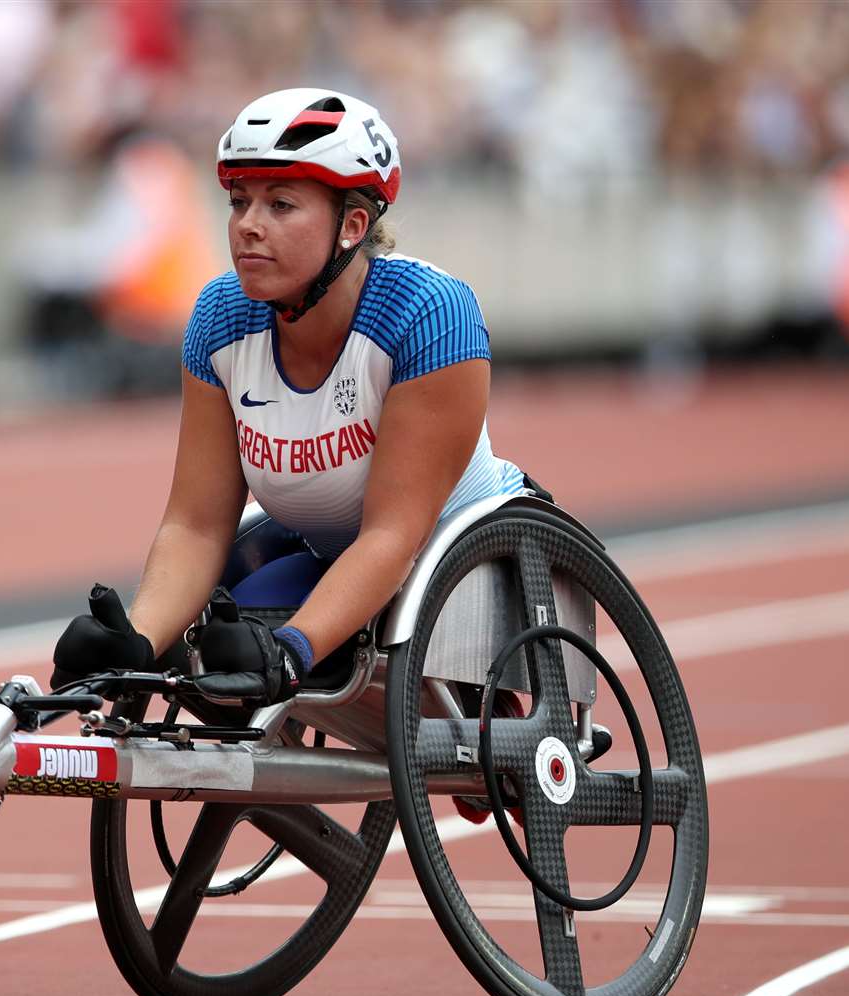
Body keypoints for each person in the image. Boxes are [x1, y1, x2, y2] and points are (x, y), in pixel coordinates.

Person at [52, 87, 525, 702]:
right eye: (239, 201)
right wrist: (135, 642)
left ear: (353, 225)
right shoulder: (220, 317)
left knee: (254, 643)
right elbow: (196, 524)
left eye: (280, 205)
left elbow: (393, 534)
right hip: (327, 553)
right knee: (211, 645)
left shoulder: (430, 313)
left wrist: (289, 651)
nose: (248, 225)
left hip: (459, 559)